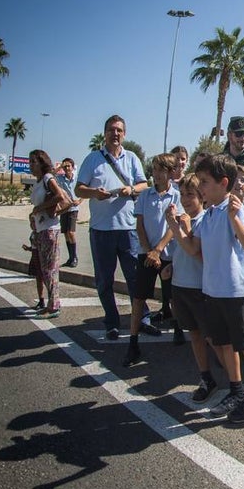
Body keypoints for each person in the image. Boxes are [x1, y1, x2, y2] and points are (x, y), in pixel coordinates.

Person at [171, 154, 244, 424]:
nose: (200, 187)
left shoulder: (233, 209)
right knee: (224, 344)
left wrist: (235, 218)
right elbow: (193, 249)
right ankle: (237, 389)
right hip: (212, 291)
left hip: (234, 292)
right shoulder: (209, 213)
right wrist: (175, 228)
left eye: (204, 182)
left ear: (223, 183)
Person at [75, 114, 148, 339]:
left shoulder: (132, 158)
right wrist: (94, 193)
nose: (115, 134)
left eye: (119, 130)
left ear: (124, 134)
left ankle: (142, 318)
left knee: (135, 278)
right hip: (101, 231)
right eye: (111, 130)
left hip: (128, 229)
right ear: (105, 133)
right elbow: (78, 189)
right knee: (104, 280)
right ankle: (112, 322)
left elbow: (144, 184)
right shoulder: (92, 159)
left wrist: (131, 190)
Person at [123, 153, 182, 368]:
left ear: (170, 173)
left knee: (172, 296)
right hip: (146, 253)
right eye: (154, 169)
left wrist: (159, 249)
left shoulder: (176, 196)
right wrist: (149, 250)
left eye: (161, 170)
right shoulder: (145, 196)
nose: (156, 174)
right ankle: (133, 341)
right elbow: (140, 225)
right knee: (139, 297)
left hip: (167, 253)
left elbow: (174, 227)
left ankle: (177, 327)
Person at [164, 173, 217, 403]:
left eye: (191, 195)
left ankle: (237, 382)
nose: (185, 199)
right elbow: (182, 251)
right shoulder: (183, 220)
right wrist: (172, 267)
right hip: (181, 285)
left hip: (200, 288)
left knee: (214, 338)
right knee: (194, 334)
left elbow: (198, 254)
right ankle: (206, 377)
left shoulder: (205, 221)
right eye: (183, 194)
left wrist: (179, 229)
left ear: (202, 196)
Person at [28, 149, 67, 319]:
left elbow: (60, 196)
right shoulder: (38, 182)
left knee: (50, 269)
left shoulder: (47, 179)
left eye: (33, 162)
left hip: (50, 229)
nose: (30, 165)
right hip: (40, 229)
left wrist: (39, 208)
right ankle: (51, 303)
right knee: (44, 269)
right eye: (29, 162)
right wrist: (33, 215)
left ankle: (54, 306)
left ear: (42, 163)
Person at [55, 157, 82, 268]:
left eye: (68, 166)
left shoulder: (77, 178)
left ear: (72, 167)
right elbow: (50, 175)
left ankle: (75, 257)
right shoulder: (60, 178)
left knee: (71, 232)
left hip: (73, 209)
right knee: (66, 233)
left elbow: (84, 190)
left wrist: (79, 201)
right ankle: (70, 257)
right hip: (64, 208)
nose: (67, 168)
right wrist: (59, 167)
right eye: (65, 166)